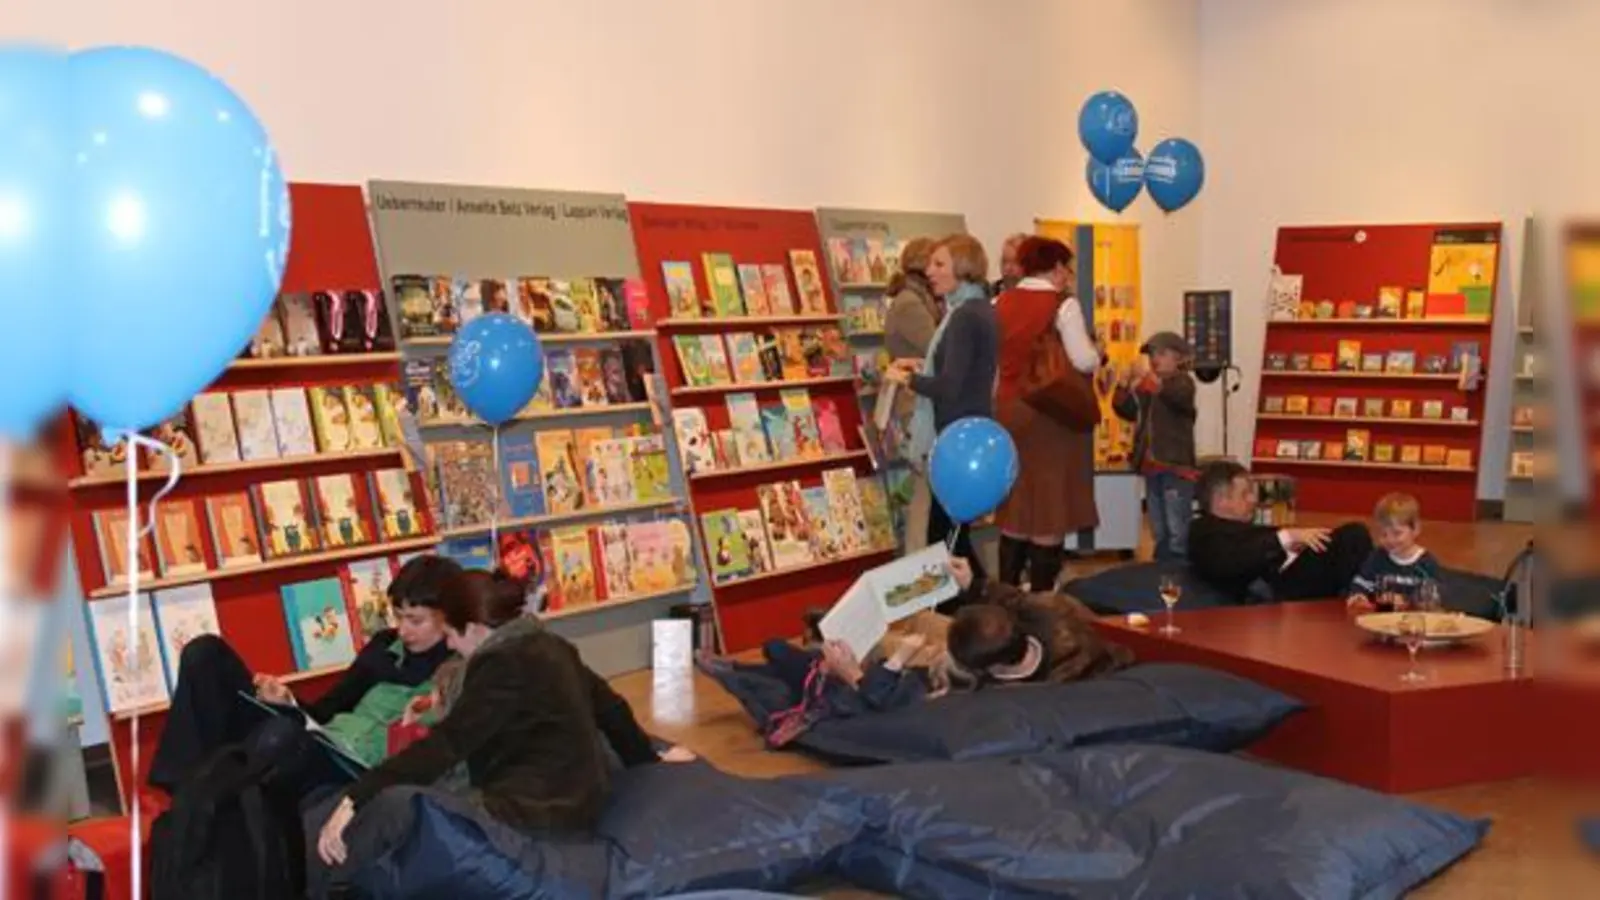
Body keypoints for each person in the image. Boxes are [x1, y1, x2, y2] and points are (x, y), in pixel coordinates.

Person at [315, 565, 694, 865]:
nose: (448, 643)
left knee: (398, 815)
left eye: (451, 634)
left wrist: (357, 796)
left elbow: (447, 745)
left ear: (477, 628)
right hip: (571, 801)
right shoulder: (548, 644)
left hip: (536, 815)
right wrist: (646, 758)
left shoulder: (499, 666)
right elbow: (610, 708)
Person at [148, 555, 459, 795]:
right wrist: (289, 701)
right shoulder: (384, 645)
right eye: (398, 616)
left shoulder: (456, 673)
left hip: (351, 767)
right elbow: (327, 709)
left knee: (280, 737)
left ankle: (208, 793)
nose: (403, 630)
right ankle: (180, 786)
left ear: (450, 618)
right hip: (319, 737)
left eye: (415, 621)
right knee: (205, 653)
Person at [886, 234, 998, 593]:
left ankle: (966, 614)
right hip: (967, 432)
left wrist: (909, 379)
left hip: (955, 435)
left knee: (945, 539)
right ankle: (985, 605)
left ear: (962, 268)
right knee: (954, 537)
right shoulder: (979, 309)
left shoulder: (964, 317)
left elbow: (949, 385)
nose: (930, 272)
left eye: (939, 264)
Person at [992, 236, 1100, 592]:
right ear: (1055, 268)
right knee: (1049, 510)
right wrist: (1099, 354)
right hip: (1050, 413)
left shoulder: (999, 302)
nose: (1067, 275)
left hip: (1008, 411)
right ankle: (1041, 598)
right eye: (1065, 268)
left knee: (1017, 503)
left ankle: (1005, 591)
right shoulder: (1062, 306)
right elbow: (1083, 358)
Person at [1188, 460, 1374, 602]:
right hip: (1272, 592)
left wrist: (1294, 546)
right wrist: (1286, 537)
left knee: (1349, 542)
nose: (1253, 500)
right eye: (1245, 494)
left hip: (1285, 577)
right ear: (1221, 500)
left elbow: (1259, 542)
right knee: (1353, 538)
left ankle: (1368, 595)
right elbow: (1230, 562)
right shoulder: (1203, 531)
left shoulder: (1241, 527)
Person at [944, 558, 1132, 684]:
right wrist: (973, 586)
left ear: (996, 669)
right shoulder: (1053, 607)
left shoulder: (1055, 682)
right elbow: (1014, 600)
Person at [1112, 331, 1199, 561]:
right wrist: (1122, 385)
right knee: (1158, 526)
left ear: (1179, 358)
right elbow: (1127, 410)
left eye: (1162, 353)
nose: (1154, 359)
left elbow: (1174, 396)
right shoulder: (1148, 387)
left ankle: (1180, 571)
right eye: (1152, 354)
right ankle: (1162, 569)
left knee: (1177, 527)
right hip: (1152, 468)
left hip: (1176, 468)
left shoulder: (1183, 383)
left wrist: (1148, 382)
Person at [883, 236, 941, 551]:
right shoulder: (911, 304)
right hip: (916, 404)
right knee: (924, 491)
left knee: (925, 489)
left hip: (919, 401)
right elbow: (937, 348)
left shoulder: (913, 300)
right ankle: (919, 564)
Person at [1346, 493, 1441, 612]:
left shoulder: (1426, 564)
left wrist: (1406, 601)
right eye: (1384, 534)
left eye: (1397, 533)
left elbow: (1431, 600)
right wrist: (1359, 597)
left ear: (1416, 529)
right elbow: (1362, 584)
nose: (1390, 540)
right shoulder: (1377, 558)